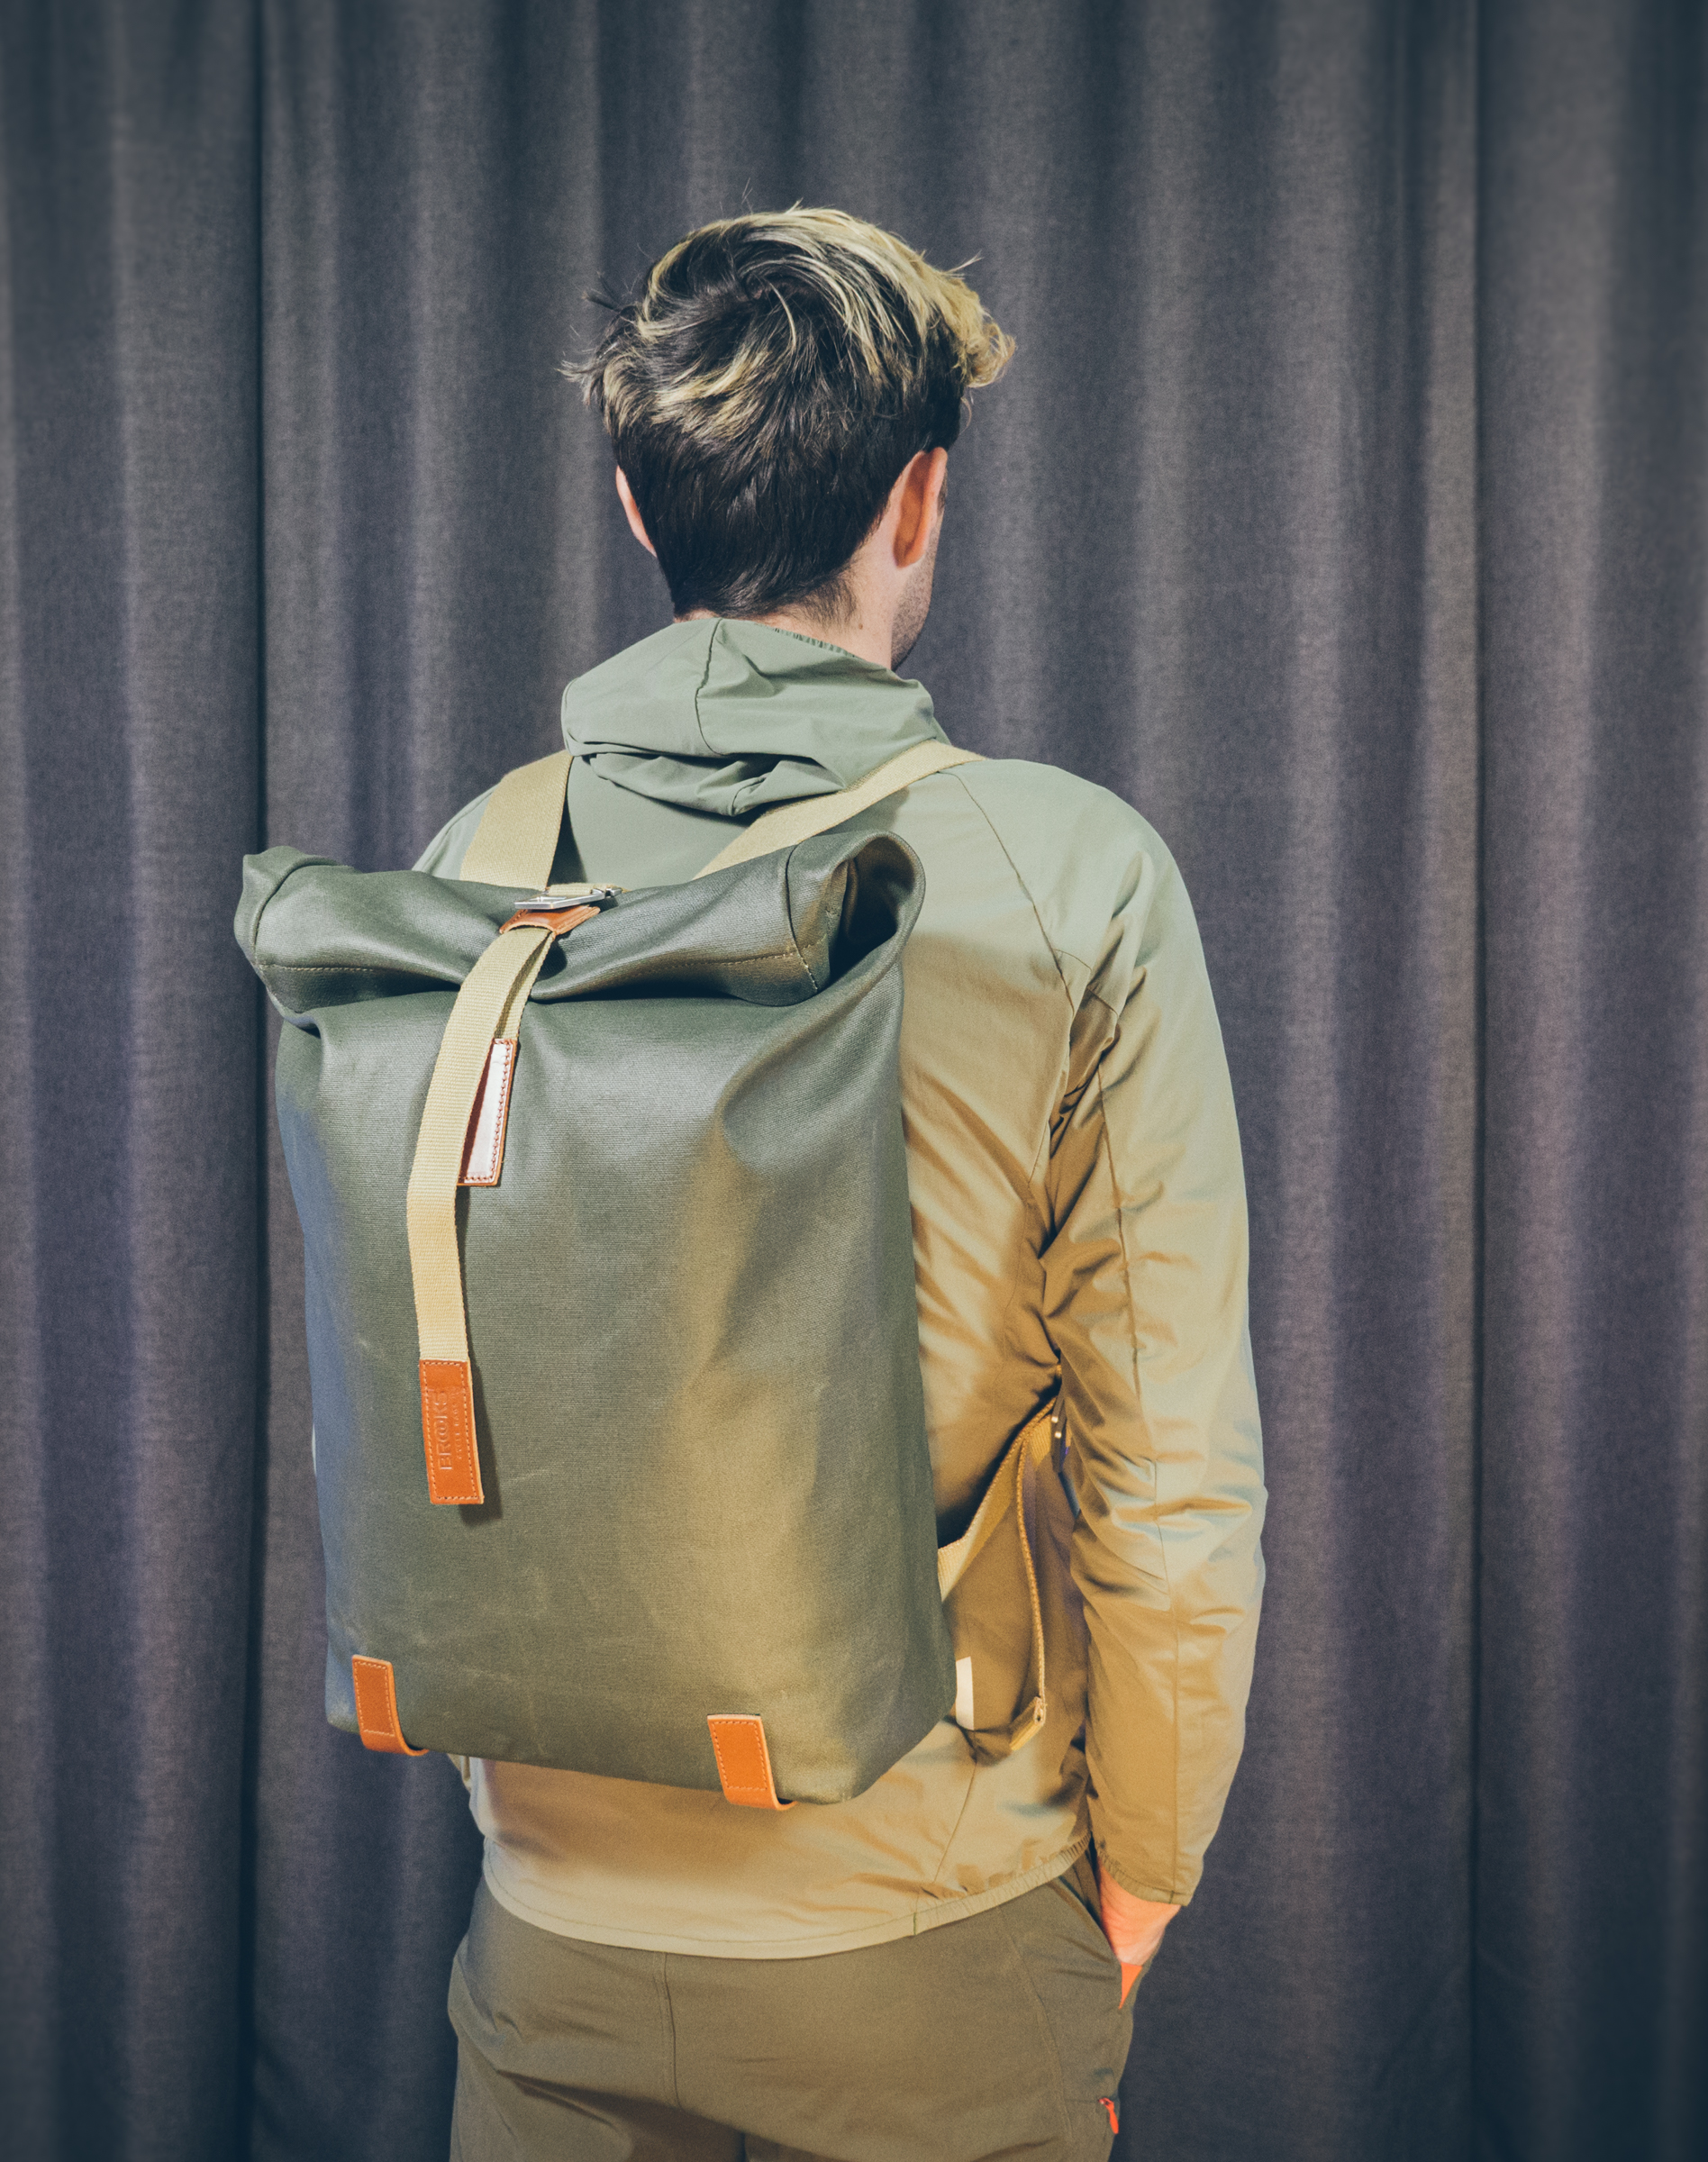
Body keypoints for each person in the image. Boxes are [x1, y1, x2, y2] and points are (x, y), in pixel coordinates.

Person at [413, 207, 1267, 2162]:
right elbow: (1173, 1468)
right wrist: (1141, 1875)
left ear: (640, 508)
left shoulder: (475, 863)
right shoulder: (1070, 880)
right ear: (919, 500)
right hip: (931, 1937)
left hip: (548, 1932)